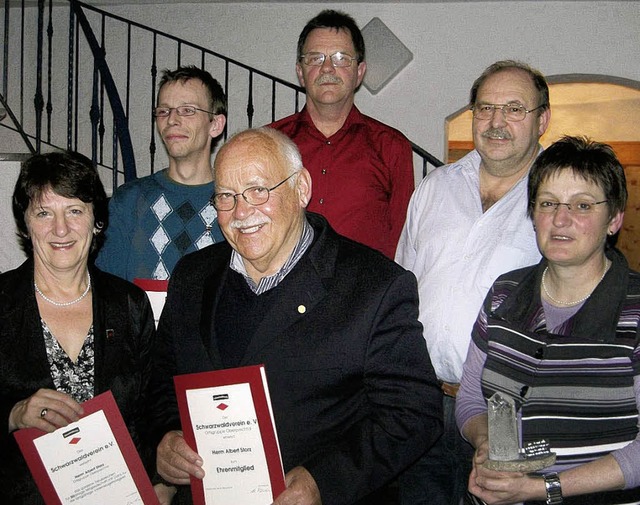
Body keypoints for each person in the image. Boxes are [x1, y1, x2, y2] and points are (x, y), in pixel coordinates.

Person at [148, 127, 442, 505]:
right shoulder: (191, 276)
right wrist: (166, 437)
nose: (241, 212)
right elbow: (160, 385)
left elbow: (414, 414)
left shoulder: (375, 286)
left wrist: (325, 479)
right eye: (226, 196)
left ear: (301, 188)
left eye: (258, 190)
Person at [395, 60, 551, 505]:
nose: (497, 122)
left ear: (542, 119)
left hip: (509, 411)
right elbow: (404, 287)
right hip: (421, 403)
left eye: (514, 109)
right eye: (485, 108)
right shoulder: (434, 187)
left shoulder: (557, 200)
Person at [456, 136, 640, 505]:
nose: (560, 219)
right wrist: (486, 442)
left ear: (614, 219)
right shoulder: (504, 293)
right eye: (548, 203)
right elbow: (472, 399)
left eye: (583, 205)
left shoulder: (634, 310)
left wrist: (543, 489)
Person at [1, 151, 157, 503]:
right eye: (44, 213)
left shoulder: (129, 305)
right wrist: (13, 414)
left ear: (96, 220)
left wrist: (159, 484)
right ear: (25, 223)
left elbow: (150, 412)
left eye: (74, 211)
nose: (60, 229)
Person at [269, 10, 414, 259]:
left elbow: (402, 242)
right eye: (315, 58)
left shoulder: (392, 147)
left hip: (364, 294)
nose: (327, 68)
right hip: (282, 292)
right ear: (301, 72)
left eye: (340, 58)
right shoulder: (269, 142)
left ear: (359, 72)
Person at [97, 65, 227, 282]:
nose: (172, 120)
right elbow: (108, 291)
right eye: (164, 111)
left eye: (187, 110)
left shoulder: (236, 203)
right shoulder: (129, 200)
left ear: (215, 124)